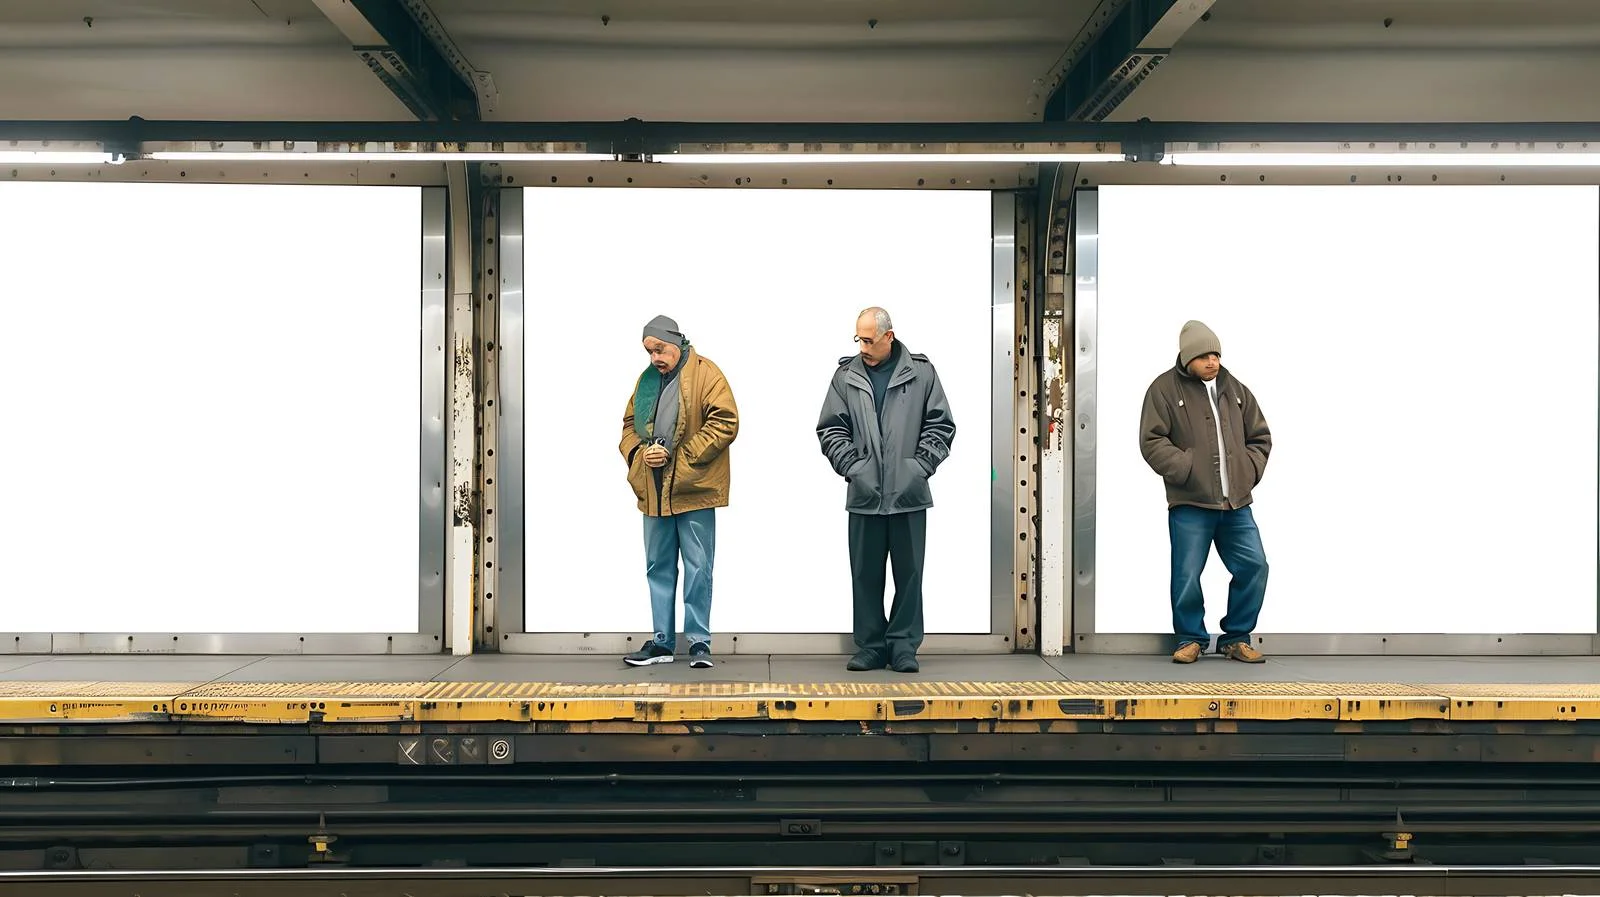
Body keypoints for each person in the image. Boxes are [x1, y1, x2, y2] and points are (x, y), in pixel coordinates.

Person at [816, 307, 955, 674]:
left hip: (908, 494)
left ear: (888, 337)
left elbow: (941, 425)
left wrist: (919, 468)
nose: (862, 347)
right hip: (865, 495)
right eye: (858, 339)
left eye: (868, 340)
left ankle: (904, 647)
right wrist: (854, 469)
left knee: (910, 575)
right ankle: (871, 647)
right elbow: (830, 428)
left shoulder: (921, 373)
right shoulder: (846, 377)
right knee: (865, 575)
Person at [1139, 320, 1272, 665]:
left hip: (1236, 504)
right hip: (1191, 503)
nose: (1212, 361)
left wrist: (1248, 471)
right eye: (1203, 356)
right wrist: (1186, 468)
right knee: (1186, 575)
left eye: (1216, 355)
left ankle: (1236, 638)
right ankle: (1190, 639)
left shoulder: (1235, 389)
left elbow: (1260, 437)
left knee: (1255, 566)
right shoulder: (1163, 390)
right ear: (1187, 359)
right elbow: (1152, 440)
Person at [619, 315, 739, 669]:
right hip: (654, 490)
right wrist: (641, 453)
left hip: (694, 488)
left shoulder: (707, 374)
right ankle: (662, 642)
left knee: (698, 567)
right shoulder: (646, 381)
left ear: (676, 342)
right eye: (649, 351)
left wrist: (678, 456)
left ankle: (699, 642)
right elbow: (629, 427)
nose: (654, 357)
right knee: (658, 566)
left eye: (659, 349)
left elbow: (725, 421)